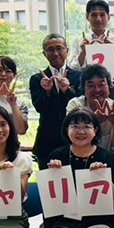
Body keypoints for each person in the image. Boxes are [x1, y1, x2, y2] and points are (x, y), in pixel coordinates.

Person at [29, 33, 82, 169]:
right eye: (50, 49)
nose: (55, 53)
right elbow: (39, 107)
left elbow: (81, 108)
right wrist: (47, 92)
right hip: (47, 141)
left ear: (67, 51)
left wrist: (67, 91)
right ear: (44, 54)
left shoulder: (79, 76)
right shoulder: (36, 79)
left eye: (59, 48)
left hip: (75, 140)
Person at [66, 64, 114, 154]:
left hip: (109, 160)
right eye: (91, 86)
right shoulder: (75, 105)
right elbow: (70, 137)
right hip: (79, 156)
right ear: (84, 89)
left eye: (101, 85)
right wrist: (94, 121)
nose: (97, 90)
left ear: (109, 87)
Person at [69, 0, 114, 70]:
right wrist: (83, 52)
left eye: (102, 15)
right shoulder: (78, 41)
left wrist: (111, 52)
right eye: (94, 15)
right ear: (87, 17)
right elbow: (73, 68)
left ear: (108, 17)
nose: (98, 19)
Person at [0, 56, 29, 135]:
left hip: (12, 142)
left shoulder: (19, 103)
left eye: (8, 71)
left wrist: (13, 105)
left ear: (14, 75)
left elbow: (21, 130)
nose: (3, 74)